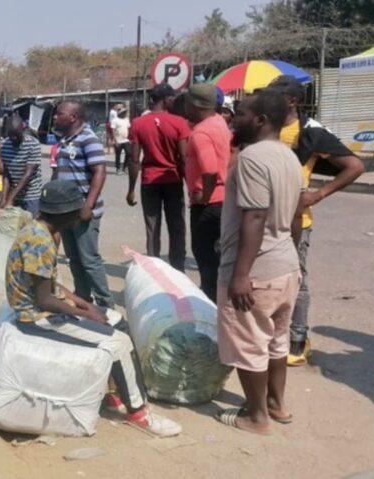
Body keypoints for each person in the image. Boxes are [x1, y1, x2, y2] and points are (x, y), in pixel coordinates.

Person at [6, 179, 182, 437]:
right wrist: (86, 314)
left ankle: (114, 392)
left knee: (117, 320)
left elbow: (49, 284)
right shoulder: (39, 241)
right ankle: (138, 411)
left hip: (45, 306)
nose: (81, 215)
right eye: (77, 211)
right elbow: (44, 300)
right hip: (36, 317)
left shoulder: (42, 229)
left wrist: (86, 303)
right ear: (64, 213)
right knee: (117, 343)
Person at [215, 88, 304, 435]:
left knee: (248, 343)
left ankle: (256, 417)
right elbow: (296, 213)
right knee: (276, 341)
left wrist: (241, 275)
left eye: (240, 114)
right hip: (285, 266)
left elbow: (255, 216)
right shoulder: (289, 157)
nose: (234, 119)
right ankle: (276, 405)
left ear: (261, 120)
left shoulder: (251, 158)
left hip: (257, 270)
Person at [265, 75, 365, 367]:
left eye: (276, 96)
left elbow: (354, 166)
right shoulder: (263, 126)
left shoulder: (310, 133)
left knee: (297, 279)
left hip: (296, 220)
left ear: (293, 101)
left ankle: (297, 339)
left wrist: (318, 194)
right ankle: (270, 333)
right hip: (259, 218)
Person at [51, 100, 113, 308]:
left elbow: (99, 172)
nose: (55, 117)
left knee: (89, 260)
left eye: (59, 114)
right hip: (65, 212)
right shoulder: (63, 141)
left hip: (84, 211)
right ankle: (83, 298)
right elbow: (58, 174)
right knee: (73, 259)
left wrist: (88, 205)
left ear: (73, 117)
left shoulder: (88, 139)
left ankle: (106, 304)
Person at [127, 83, 190, 271]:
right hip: (173, 180)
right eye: (173, 98)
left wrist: (131, 189)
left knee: (152, 227)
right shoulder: (179, 122)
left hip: (149, 181)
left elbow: (134, 159)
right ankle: (178, 268)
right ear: (166, 99)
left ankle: (154, 268)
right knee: (177, 226)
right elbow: (183, 159)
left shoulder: (138, 123)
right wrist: (191, 187)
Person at [183, 84, 232, 302]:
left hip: (209, 206)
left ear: (194, 105)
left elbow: (210, 169)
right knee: (220, 258)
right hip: (225, 202)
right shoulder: (219, 122)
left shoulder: (201, 132)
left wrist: (204, 195)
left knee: (206, 259)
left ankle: (213, 308)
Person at [0, 114, 43, 215]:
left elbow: (27, 174)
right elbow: (6, 175)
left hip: (31, 195)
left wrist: (10, 198)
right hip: (14, 193)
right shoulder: (4, 145)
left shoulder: (33, 144)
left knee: (30, 226)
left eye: (16, 134)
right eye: (10, 135)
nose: (13, 138)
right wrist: (4, 197)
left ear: (22, 129)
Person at [111, 106, 132, 174]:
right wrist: (115, 141)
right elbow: (113, 130)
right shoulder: (115, 120)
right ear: (120, 113)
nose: (125, 114)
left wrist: (130, 138)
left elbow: (129, 128)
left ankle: (125, 167)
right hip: (118, 140)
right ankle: (118, 168)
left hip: (126, 140)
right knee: (118, 155)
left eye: (125, 112)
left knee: (129, 153)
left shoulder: (126, 119)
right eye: (123, 112)